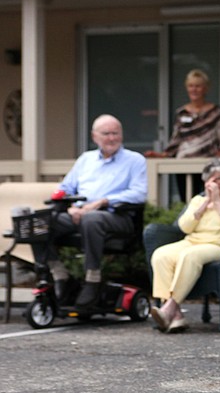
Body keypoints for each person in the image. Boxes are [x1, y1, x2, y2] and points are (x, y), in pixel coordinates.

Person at [32, 114, 147, 308]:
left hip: (117, 217)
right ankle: (60, 275)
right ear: (95, 136)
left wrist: (103, 201)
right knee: (37, 222)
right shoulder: (85, 160)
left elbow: (139, 194)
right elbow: (64, 188)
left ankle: (93, 279)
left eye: (115, 133)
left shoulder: (135, 160)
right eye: (106, 133)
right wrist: (69, 209)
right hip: (78, 214)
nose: (111, 138)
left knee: (92, 219)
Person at [150, 159, 220, 333]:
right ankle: (176, 316)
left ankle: (170, 307)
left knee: (189, 256)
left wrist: (219, 205)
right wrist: (206, 203)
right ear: (207, 182)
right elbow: (185, 227)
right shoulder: (198, 200)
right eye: (217, 179)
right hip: (192, 241)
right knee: (161, 255)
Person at [145, 69, 220, 200]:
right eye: (191, 86)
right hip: (183, 163)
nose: (194, 89)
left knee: (208, 198)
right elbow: (176, 138)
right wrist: (165, 154)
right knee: (187, 201)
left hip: (208, 163)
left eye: (198, 86)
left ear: (206, 88)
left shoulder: (216, 112)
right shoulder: (182, 112)